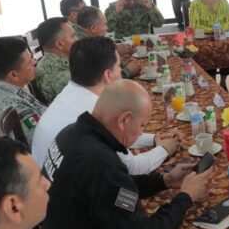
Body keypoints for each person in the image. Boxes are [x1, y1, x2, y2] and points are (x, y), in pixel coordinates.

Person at [42, 80, 211, 229]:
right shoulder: (98, 163)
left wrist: (165, 180)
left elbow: (118, 190)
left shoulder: (72, 134)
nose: (143, 132)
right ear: (123, 120)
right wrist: (185, 197)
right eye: (142, 125)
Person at [32, 37, 178, 175]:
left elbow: (117, 136)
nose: (121, 72)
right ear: (108, 75)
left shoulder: (71, 92)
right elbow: (131, 168)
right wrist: (164, 149)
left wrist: (153, 139)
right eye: (119, 67)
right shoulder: (95, 113)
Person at [0, 37, 46, 145]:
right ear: (14, 75)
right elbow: (41, 142)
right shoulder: (17, 109)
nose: (35, 61)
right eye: (30, 61)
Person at [189, 0, 229, 88]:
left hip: (222, 38)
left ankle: (223, 81)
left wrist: (219, 29)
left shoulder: (223, 2)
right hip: (205, 39)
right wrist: (212, 29)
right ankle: (212, 81)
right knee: (206, 52)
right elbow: (194, 25)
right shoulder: (195, 5)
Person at [77, 6, 141, 79]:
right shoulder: (84, 45)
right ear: (93, 28)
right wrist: (127, 72)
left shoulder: (85, 39)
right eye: (104, 24)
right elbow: (98, 81)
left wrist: (117, 63)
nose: (107, 28)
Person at [34, 17, 78, 104]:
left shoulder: (63, 60)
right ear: (59, 44)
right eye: (73, 36)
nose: (77, 39)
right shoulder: (58, 75)